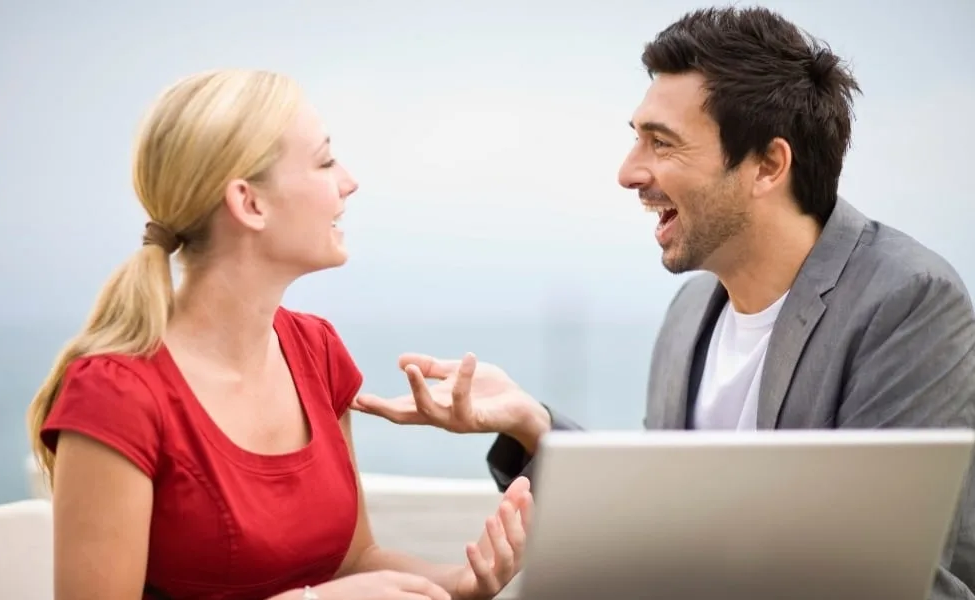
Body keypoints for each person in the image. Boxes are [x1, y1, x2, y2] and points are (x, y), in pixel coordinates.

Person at [352, 6, 975, 599]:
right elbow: (667, 522)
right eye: (636, 139)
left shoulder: (907, 302)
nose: (628, 172)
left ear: (767, 165)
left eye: (662, 142)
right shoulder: (689, 315)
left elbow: (901, 577)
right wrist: (532, 424)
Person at [26, 69, 533, 600]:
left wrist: (462, 584)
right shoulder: (113, 395)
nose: (349, 181)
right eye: (325, 160)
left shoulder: (317, 352)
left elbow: (354, 560)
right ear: (249, 203)